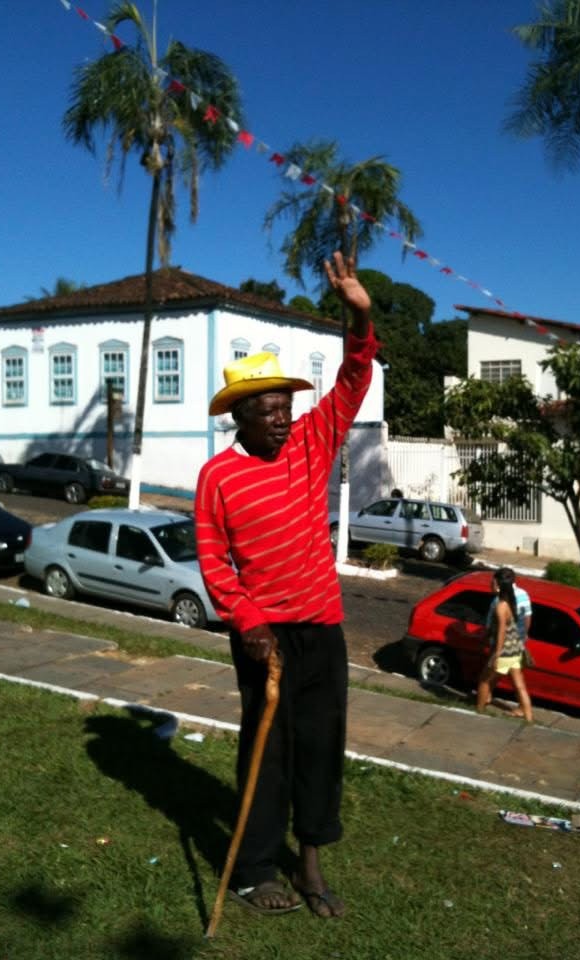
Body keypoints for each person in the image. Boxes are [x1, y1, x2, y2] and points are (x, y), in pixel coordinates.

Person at [194, 251, 376, 919]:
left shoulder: (311, 440)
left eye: (284, 406)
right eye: (267, 410)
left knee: (322, 747)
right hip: (262, 638)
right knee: (267, 752)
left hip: (321, 628)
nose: (281, 418)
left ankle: (312, 861)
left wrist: (359, 316)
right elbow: (215, 561)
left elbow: (355, 377)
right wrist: (249, 624)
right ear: (239, 415)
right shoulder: (217, 477)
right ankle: (253, 870)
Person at [476, 567, 533, 722]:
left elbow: (500, 631)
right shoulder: (515, 598)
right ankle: (529, 719)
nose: (490, 584)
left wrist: (496, 653)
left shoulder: (500, 605)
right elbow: (526, 620)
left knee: (484, 680)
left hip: (504, 650)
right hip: (515, 648)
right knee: (520, 685)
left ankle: (479, 712)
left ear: (499, 585)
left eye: (493, 582)